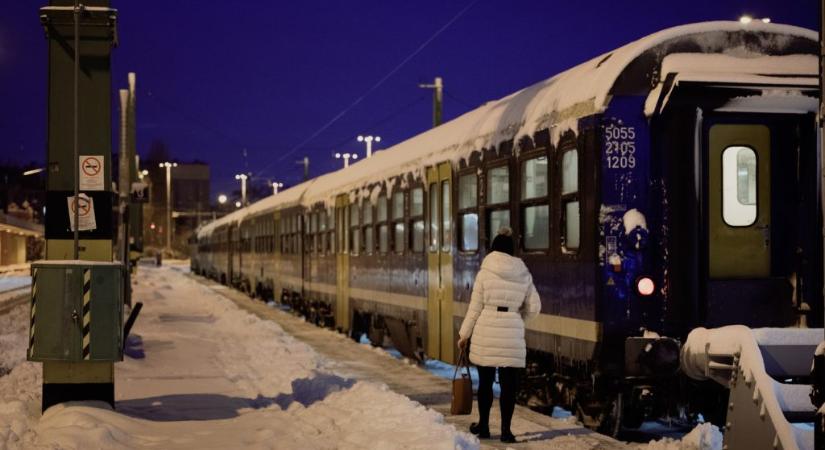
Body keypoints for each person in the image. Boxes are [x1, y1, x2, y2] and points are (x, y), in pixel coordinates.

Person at [456, 227, 541, 443]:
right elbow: (535, 307)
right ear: (511, 251)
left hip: (486, 329)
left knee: (485, 383)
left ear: (493, 250)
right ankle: (506, 431)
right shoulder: (523, 274)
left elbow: (474, 309)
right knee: (509, 385)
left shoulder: (485, 273)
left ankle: (483, 426)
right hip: (511, 330)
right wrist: (518, 319)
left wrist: (464, 335)